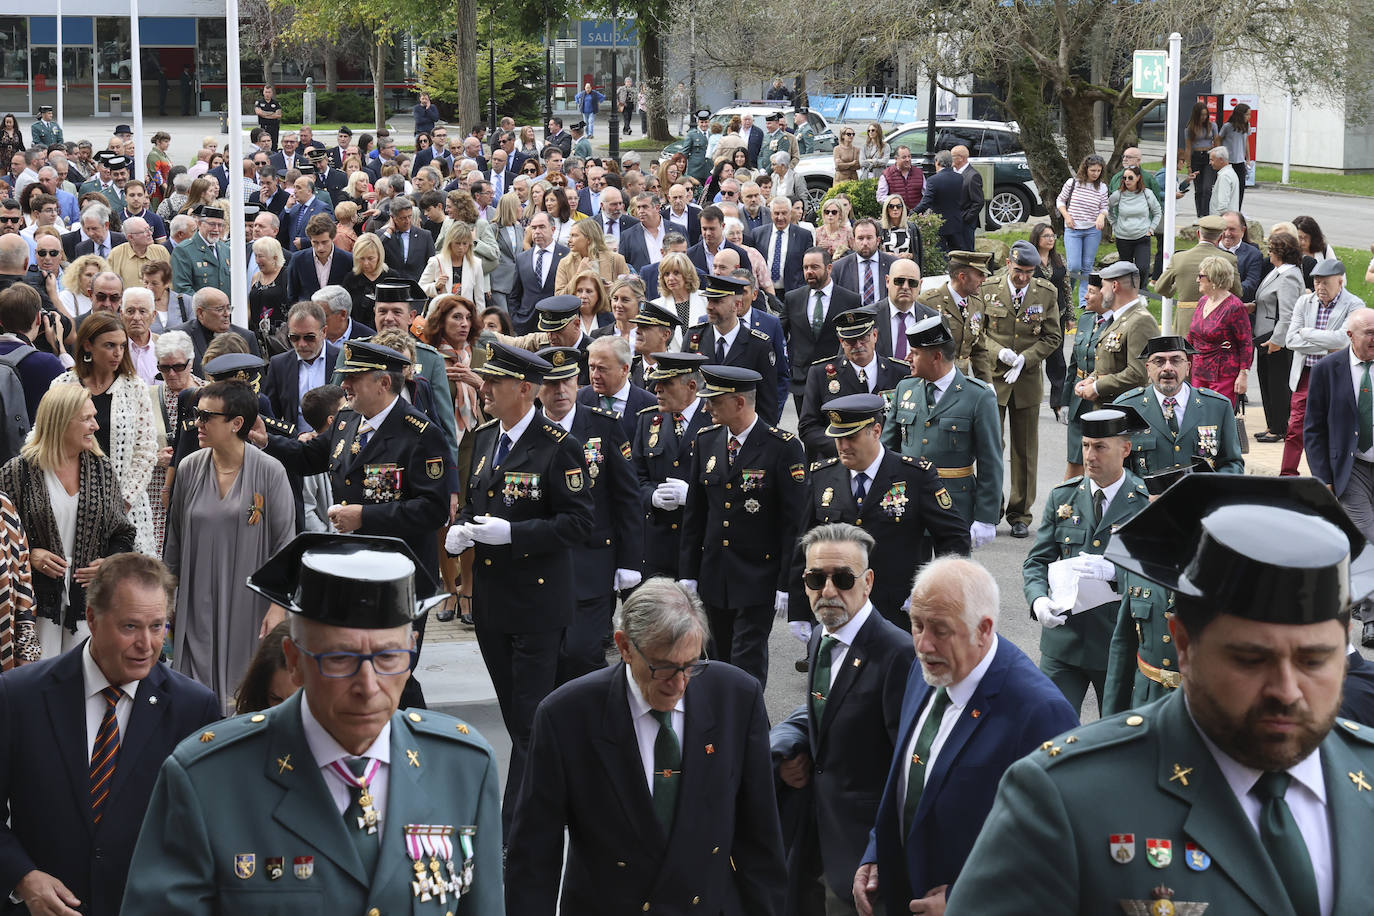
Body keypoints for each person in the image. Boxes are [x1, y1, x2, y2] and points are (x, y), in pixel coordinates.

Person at [952, 475, 1374, 915]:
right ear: (1185, 646)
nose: (1287, 692)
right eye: (1251, 660)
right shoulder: (1064, 801)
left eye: (1314, 661)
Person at [124, 533, 504, 912]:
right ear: (294, 660)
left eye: (389, 657)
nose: (368, 687)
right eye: (340, 659)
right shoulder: (208, 779)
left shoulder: (463, 768)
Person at [506, 576, 784, 913]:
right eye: (663, 668)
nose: (679, 684)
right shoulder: (566, 715)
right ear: (624, 647)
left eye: (691, 665)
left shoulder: (737, 697)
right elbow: (534, 855)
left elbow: (761, 838)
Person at [854, 556, 1078, 916]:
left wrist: (967, 899)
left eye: (940, 630)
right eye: (916, 625)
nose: (923, 644)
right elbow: (907, 776)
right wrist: (877, 852)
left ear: (984, 629)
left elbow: (1058, 846)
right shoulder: (928, 668)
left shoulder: (1040, 712)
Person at [0, 551, 218, 916]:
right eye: (130, 626)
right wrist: (22, 877)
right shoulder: (20, 696)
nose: (147, 645)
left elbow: (211, 829)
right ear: (92, 620)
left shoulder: (194, 709)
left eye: (157, 626)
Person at [256, 340, 451, 706]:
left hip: (400, 573)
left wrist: (365, 516)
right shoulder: (347, 421)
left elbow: (433, 509)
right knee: (363, 666)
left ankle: (415, 747)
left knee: (394, 669)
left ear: (383, 383)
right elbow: (311, 456)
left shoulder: (420, 433)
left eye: (355, 378)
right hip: (353, 567)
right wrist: (268, 442)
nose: (345, 385)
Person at [444, 340, 593, 818]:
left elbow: (578, 523)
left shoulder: (559, 447)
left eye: (495, 382)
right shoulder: (486, 438)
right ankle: (559, 789)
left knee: (529, 720)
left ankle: (517, 826)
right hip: (492, 604)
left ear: (524, 389)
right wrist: (461, 531)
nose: (484, 388)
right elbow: (474, 499)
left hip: (536, 605)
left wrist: (514, 533)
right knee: (515, 717)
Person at [772, 519, 917, 912]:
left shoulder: (898, 655)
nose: (829, 591)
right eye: (816, 578)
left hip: (863, 856)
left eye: (844, 579)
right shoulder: (823, 634)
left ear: (868, 582)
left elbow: (908, 767)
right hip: (814, 833)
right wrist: (782, 751)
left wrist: (882, 852)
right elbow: (825, 712)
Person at [166, 379, 293, 710]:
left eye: (207, 416)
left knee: (244, 687)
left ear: (237, 423)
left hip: (249, 604)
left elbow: (285, 545)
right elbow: (175, 540)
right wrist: (166, 598)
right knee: (193, 691)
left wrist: (278, 606)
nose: (198, 423)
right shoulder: (189, 467)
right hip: (196, 603)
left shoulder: (270, 471)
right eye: (197, 414)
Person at [678, 365, 805, 688]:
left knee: (746, 661)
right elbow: (696, 514)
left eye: (714, 402)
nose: (706, 408)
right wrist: (689, 573)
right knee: (715, 659)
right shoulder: (707, 440)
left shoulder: (781, 447)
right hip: (714, 574)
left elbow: (793, 522)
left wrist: (786, 583)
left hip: (757, 576)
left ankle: (749, 731)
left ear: (739, 403)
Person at [795, 392, 969, 627]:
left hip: (897, 610)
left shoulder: (914, 476)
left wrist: (932, 593)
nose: (843, 446)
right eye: (838, 438)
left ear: (876, 431)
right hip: (837, 606)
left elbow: (954, 538)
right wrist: (799, 611)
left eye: (852, 437)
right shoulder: (821, 476)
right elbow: (803, 545)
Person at [1024, 407, 1151, 713]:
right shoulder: (1063, 497)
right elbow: (1037, 562)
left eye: (1100, 447)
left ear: (1125, 449)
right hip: (1064, 642)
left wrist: (1116, 573)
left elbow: (1158, 574)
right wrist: (1038, 600)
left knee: (1115, 736)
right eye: (1085, 446)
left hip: (1116, 643)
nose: (1090, 456)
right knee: (1050, 729)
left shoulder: (1145, 502)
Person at [0, 383, 136, 659]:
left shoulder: (101, 469)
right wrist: (30, 554)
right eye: (86, 419)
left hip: (88, 603)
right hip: (34, 604)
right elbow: (4, 532)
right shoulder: (19, 471)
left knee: (81, 685)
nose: (95, 426)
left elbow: (122, 531)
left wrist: (109, 561)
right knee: (36, 683)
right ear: (60, 422)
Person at [534, 345, 642, 682]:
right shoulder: (528, 431)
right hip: (541, 563)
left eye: (567, 381)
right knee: (545, 658)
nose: (560, 391)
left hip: (592, 562)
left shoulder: (603, 426)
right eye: (551, 384)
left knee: (582, 652)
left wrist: (630, 561)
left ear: (576, 380)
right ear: (537, 387)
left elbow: (627, 497)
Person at [882, 315, 1003, 549]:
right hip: (910, 502)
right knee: (910, 578)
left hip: (955, 506)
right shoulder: (905, 388)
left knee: (952, 580)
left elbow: (991, 461)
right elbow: (888, 450)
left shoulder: (977, 396)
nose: (908, 358)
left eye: (915, 353)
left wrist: (986, 517)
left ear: (936, 357)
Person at [52, 312, 158, 554]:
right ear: (88, 344)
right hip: (71, 502)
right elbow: (44, 437)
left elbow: (146, 450)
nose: (118, 353)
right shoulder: (62, 385)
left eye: (122, 345)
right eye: (109, 345)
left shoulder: (135, 388)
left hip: (126, 507)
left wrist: (123, 501)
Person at [982, 242, 1063, 537]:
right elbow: (978, 330)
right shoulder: (988, 287)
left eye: (1029, 272)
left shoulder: (1045, 292)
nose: (1023, 278)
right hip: (993, 379)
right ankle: (991, 508)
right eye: (1018, 271)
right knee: (991, 447)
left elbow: (1053, 336)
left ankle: (1020, 514)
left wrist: (1026, 358)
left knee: (1025, 450)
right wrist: (998, 353)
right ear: (1007, 263)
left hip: (1026, 380)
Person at [1113, 334, 1244, 476]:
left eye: (1176, 361)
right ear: (1148, 369)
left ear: (1188, 367)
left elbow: (1232, 463)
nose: (1167, 368)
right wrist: (1143, 494)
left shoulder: (1217, 406)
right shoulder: (1126, 407)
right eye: (1159, 361)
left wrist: (1212, 489)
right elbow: (1115, 468)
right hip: (1148, 497)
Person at [1283, 258, 1366, 476]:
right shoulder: (1304, 302)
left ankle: (1327, 475)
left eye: (1325, 282)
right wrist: (1327, 345)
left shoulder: (1355, 305)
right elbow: (1290, 340)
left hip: (1336, 376)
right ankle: (1287, 474)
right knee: (1295, 426)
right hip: (1306, 374)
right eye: (1317, 282)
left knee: (1331, 426)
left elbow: (1342, 341)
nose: (1319, 287)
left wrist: (1306, 333)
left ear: (1340, 281)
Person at [796, 308, 909, 462]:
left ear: (874, 335)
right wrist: (847, 445)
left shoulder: (900, 373)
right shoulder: (821, 374)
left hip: (889, 460)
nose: (858, 345)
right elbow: (808, 427)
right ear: (841, 342)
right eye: (850, 341)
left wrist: (881, 449)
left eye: (863, 338)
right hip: (841, 461)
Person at [1304, 308, 1374, 541]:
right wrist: (1323, 478)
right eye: (1370, 333)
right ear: (1351, 335)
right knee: (1366, 534)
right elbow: (1314, 429)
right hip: (1351, 466)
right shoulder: (1327, 370)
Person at [681, 273, 783, 424]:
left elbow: (767, 404)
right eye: (709, 300)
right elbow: (685, 390)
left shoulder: (758, 345)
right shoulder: (695, 336)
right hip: (699, 431)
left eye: (717, 301)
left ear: (737, 305)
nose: (709, 307)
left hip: (739, 432)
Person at [1074, 260, 1160, 410]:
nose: (1101, 291)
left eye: (1103, 286)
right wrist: (1092, 379)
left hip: (1124, 410)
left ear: (1115, 286)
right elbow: (1110, 364)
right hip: (1109, 408)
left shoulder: (1140, 321)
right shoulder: (1120, 318)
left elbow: (1138, 373)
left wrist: (1097, 387)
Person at [1254, 230, 1304, 443]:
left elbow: (1288, 314)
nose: (1269, 253)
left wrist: (1277, 341)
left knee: (1277, 383)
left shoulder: (1289, 276)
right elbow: (1268, 300)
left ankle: (1279, 427)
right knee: (1266, 381)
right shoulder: (1278, 272)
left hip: (1276, 340)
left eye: (1271, 249)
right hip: (1264, 337)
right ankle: (1271, 424)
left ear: (1280, 252)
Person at [1154, 215, 1241, 334]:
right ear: (1220, 237)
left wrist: (1175, 289)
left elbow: (1160, 287)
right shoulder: (1228, 259)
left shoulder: (1179, 258)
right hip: (1217, 318)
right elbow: (1237, 292)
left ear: (1198, 234)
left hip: (1186, 321)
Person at [915, 250, 993, 380]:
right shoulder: (929, 303)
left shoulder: (976, 304)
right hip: (934, 381)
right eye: (980, 275)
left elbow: (979, 351)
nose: (984, 280)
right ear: (962, 277)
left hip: (961, 383)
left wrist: (987, 384)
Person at [1187, 255, 1253, 409]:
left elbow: (1246, 344)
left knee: (1217, 418)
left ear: (1213, 279)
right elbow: (1192, 336)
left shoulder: (1234, 307)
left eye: (1201, 276)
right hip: (1199, 371)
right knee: (1198, 416)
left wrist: (1243, 375)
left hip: (1223, 374)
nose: (1197, 279)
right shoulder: (1203, 301)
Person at [1063, 273, 1111, 478]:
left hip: (1102, 399)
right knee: (1074, 462)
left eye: (1091, 292)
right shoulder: (1085, 319)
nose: (1085, 297)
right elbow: (1073, 364)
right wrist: (1064, 401)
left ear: (1105, 294)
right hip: (1078, 399)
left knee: (1099, 465)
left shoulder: (1117, 324)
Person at [1055, 155, 1110, 313]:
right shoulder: (1073, 183)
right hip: (1073, 229)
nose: (1095, 173)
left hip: (1092, 230)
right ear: (1085, 169)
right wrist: (1067, 216)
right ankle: (1067, 295)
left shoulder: (1102, 187)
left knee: (1087, 267)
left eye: (1099, 171)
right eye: (1093, 170)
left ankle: (1083, 301)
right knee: (1074, 266)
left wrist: (1101, 216)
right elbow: (1060, 201)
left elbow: (1104, 207)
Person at [1107, 166, 1160, 286]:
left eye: (1130, 178)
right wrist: (1114, 224)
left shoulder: (1147, 194)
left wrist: (1151, 228)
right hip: (1123, 238)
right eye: (1124, 178)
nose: (1127, 181)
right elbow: (1107, 209)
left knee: (1142, 268)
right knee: (1125, 270)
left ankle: (1142, 293)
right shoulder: (1118, 194)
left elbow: (1157, 212)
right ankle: (1128, 295)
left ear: (1138, 178)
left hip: (1142, 237)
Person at [170, 205, 232, 296]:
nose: (216, 229)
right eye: (212, 224)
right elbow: (182, 288)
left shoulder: (225, 249)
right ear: (199, 224)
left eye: (220, 225)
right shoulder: (184, 250)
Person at [1180, 100, 1219, 218]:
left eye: (1206, 114)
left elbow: (1217, 142)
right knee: (1199, 189)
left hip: (1208, 156)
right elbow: (1188, 148)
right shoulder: (1189, 129)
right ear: (1196, 115)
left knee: (1207, 188)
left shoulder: (1212, 126)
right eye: (1201, 115)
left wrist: (1216, 157)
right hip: (1196, 157)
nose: (1204, 117)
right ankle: (1200, 215)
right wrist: (1189, 166)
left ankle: (1206, 214)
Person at [1218, 104, 1252, 209]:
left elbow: (1246, 141)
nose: (1249, 117)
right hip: (1229, 162)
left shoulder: (1247, 126)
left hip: (1240, 161)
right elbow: (1219, 138)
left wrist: (1248, 158)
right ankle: (1226, 209)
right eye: (1247, 114)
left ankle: (1238, 210)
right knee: (1228, 187)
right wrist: (1220, 153)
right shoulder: (1228, 126)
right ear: (1240, 114)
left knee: (1240, 187)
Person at [1208, 146, 1240, 216]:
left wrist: (1221, 220)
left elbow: (1223, 204)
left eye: (1212, 160)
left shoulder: (1224, 176)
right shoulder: (1231, 173)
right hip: (1230, 217)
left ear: (1221, 160)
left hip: (1222, 220)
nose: (1210, 163)